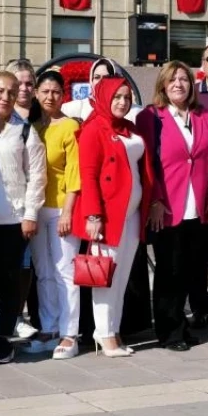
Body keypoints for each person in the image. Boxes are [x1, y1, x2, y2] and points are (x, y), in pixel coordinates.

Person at [136, 61, 208, 351]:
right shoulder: (151, 117)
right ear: (163, 85)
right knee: (169, 271)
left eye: (184, 79)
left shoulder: (205, 117)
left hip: (199, 207)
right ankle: (169, 330)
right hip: (167, 207)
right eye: (172, 80)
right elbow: (148, 163)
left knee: (192, 270)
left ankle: (182, 324)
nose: (178, 84)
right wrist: (156, 200)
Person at [72, 76, 156, 357]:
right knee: (105, 275)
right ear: (104, 97)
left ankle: (113, 329)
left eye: (126, 97)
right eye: (116, 97)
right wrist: (93, 215)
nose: (122, 102)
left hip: (131, 213)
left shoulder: (129, 128)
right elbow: (89, 174)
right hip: (107, 215)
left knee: (121, 276)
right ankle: (104, 333)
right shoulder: (93, 128)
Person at [0, 71, 47, 364]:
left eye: (12, 92)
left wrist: (30, 214)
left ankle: (4, 338)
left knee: (9, 281)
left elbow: (37, 177)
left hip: (13, 220)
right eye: (0, 91)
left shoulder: (25, 131)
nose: (6, 97)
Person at [31, 71, 84, 360]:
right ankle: (49, 327)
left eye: (56, 91)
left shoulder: (70, 127)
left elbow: (75, 172)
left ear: (63, 95)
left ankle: (69, 333)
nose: (50, 96)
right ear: (37, 93)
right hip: (36, 209)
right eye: (45, 91)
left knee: (66, 272)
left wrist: (69, 211)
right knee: (43, 272)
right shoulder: (31, 126)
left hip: (63, 207)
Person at [6, 58, 41, 339]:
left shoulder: (41, 117)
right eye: (19, 83)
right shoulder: (2, 119)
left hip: (39, 203)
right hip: (10, 205)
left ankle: (24, 315)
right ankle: (11, 316)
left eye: (30, 83)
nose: (24, 88)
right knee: (16, 264)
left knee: (29, 265)